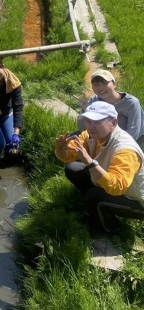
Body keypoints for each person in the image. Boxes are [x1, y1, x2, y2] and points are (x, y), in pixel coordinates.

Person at [56, 101, 144, 238]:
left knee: (94, 195)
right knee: (73, 169)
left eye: (97, 122)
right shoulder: (90, 135)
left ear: (114, 123)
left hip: (136, 199)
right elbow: (70, 155)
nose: (91, 127)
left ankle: (108, 229)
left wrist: (90, 163)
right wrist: (61, 150)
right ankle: (94, 207)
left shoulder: (126, 150)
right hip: (111, 182)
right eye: (88, 121)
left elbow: (117, 187)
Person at [78, 69, 144, 144]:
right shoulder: (95, 100)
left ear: (114, 84)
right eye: (96, 84)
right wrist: (86, 109)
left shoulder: (131, 103)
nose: (100, 88)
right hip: (102, 141)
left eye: (105, 83)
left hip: (128, 143)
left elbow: (134, 133)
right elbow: (87, 126)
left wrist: (110, 146)